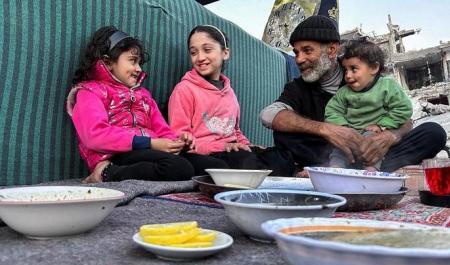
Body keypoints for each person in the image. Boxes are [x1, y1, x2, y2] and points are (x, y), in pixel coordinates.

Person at [259, 15, 447, 176]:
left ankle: (341, 172)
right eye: (296, 52)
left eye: (307, 50)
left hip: (372, 151)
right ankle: (343, 171)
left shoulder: (360, 74)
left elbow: (405, 120)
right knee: (284, 136)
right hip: (330, 154)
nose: (299, 59)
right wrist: (327, 130)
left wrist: (390, 136)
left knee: (433, 132)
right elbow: (268, 115)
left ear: (332, 50)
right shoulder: (297, 87)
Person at [67, 26, 225, 183]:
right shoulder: (89, 92)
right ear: (108, 62)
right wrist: (149, 143)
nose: (138, 69)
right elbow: (94, 136)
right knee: (177, 167)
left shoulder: (144, 96)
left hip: (150, 150)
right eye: (132, 61)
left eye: (139, 62)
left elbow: (163, 130)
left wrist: (178, 142)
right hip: (116, 154)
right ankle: (106, 173)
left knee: (216, 167)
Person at [168, 25, 266, 170]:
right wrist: (223, 146)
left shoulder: (230, 93)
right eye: (194, 52)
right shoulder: (184, 90)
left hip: (233, 150)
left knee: (277, 156)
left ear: (225, 53)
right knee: (244, 162)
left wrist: (248, 146)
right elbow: (180, 137)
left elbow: (235, 131)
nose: (200, 57)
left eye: (207, 50)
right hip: (204, 154)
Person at [325, 39, 413, 171]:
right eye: (346, 70)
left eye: (353, 69)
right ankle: (335, 170)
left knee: (372, 145)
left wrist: (382, 125)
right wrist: (343, 128)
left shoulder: (387, 86)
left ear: (373, 68)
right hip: (351, 137)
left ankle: (370, 170)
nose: (348, 75)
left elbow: (403, 108)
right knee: (338, 151)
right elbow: (332, 111)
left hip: (374, 135)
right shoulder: (344, 92)